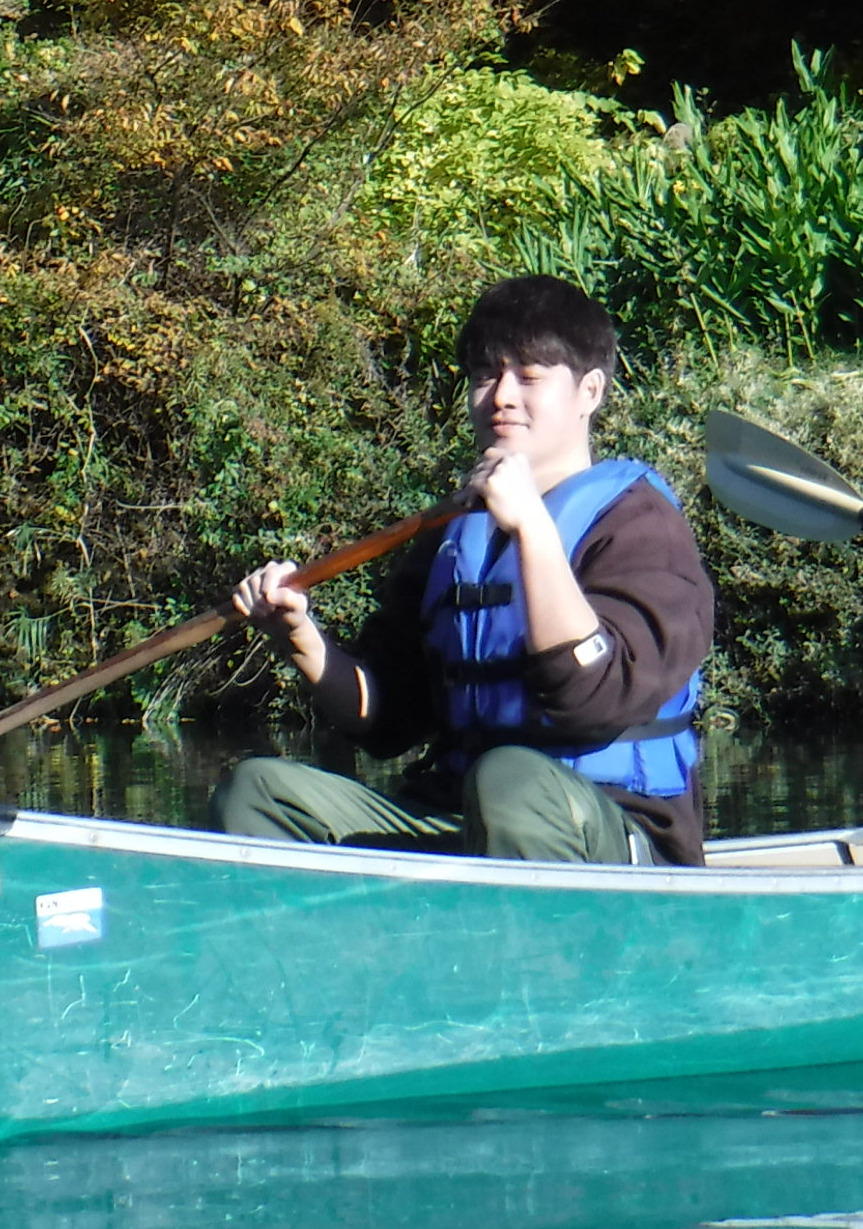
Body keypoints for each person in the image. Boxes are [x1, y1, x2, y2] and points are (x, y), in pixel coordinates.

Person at [208, 275, 716, 865]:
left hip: (610, 826)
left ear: (590, 391)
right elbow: (386, 721)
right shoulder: (450, 537)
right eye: (484, 376)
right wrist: (299, 637)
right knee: (258, 794)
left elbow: (593, 697)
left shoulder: (641, 526)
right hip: (456, 816)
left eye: (529, 376)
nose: (501, 396)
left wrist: (532, 529)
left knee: (512, 781)